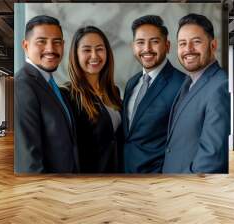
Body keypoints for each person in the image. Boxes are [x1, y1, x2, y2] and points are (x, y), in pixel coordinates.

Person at [162, 13, 230, 173]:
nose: (188, 49)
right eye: (182, 43)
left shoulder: (221, 86)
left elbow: (211, 158)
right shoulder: (189, 82)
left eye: (196, 42)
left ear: (213, 45)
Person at [14, 15, 79, 173]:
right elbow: (28, 157)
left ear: (63, 45)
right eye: (41, 41)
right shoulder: (23, 85)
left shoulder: (51, 85)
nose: (50, 49)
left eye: (57, 42)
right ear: (25, 45)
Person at [122, 15, 185, 173]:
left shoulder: (182, 84)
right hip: (125, 174)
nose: (147, 49)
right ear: (133, 47)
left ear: (167, 46)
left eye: (155, 41)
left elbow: (184, 142)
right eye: (140, 42)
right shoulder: (132, 83)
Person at [63, 26, 123, 173]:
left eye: (99, 49)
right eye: (87, 50)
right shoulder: (68, 95)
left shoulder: (113, 91)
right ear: (75, 55)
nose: (94, 56)